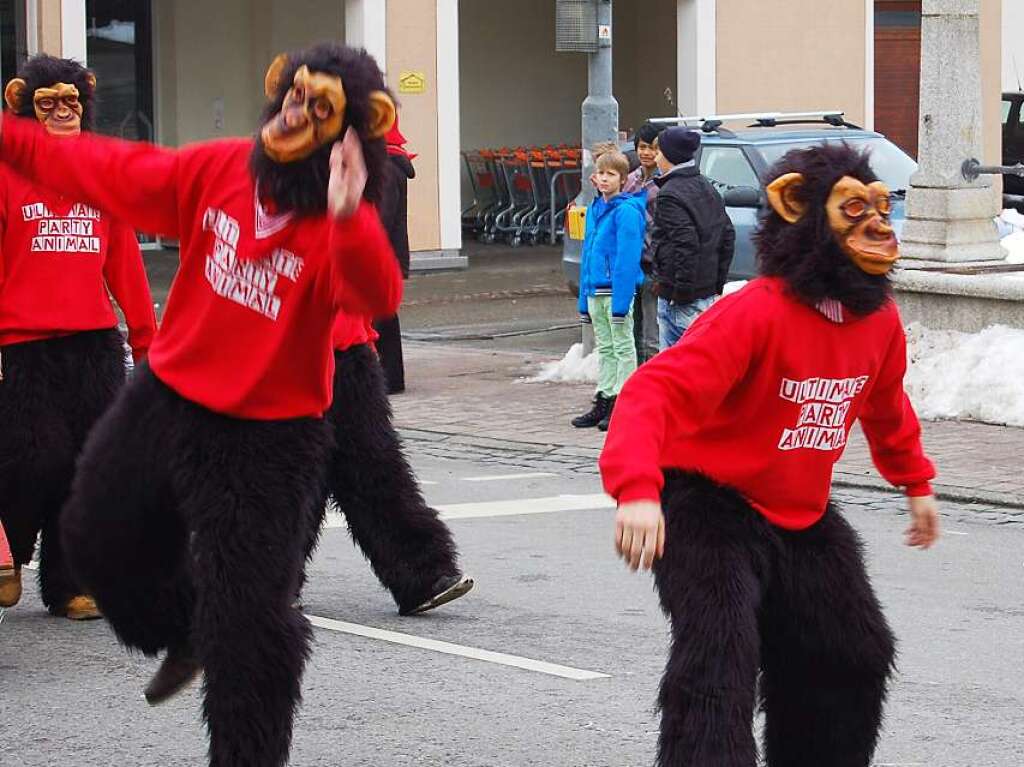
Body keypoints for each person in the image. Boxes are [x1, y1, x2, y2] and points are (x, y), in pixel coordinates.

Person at [0, 44, 402, 767]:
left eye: (318, 110)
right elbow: (104, 170)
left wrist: (347, 215)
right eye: (293, 97)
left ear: (351, 135)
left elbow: (376, 294)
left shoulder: (334, 228)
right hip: (170, 393)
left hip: (270, 436)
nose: (292, 115)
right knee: (92, 531)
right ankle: (187, 625)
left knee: (250, 628)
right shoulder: (220, 169)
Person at [600, 143, 940, 767]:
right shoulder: (755, 313)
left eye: (882, 209)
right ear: (799, 211)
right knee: (720, 660)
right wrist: (639, 491)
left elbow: (886, 406)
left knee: (853, 650)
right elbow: (655, 390)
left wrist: (915, 483)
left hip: (798, 511)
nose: (879, 226)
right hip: (705, 500)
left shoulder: (880, 323)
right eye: (854, 210)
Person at [0, 55, 156, 620]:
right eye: (48, 104)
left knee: (86, 466)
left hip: (93, 345)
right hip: (21, 346)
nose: (63, 113)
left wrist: (146, 342)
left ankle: (69, 584)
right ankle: (8, 557)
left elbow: (126, 264)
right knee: (31, 461)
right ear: (24, 106)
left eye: (72, 103)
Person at [304, 311, 473, 615]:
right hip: (286, 357)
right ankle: (261, 583)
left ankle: (421, 575)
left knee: (377, 466)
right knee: (288, 478)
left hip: (347, 353)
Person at [572, 148, 645, 432]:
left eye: (610, 174)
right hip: (595, 290)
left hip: (614, 292)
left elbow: (627, 259)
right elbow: (587, 254)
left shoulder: (626, 211)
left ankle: (623, 401)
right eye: (601, 173)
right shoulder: (595, 208)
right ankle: (604, 397)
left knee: (622, 345)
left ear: (623, 179)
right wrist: (583, 299)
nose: (604, 179)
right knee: (605, 347)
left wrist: (621, 301)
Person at [649, 126, 735, 350]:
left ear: (670, 156)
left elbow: (686, 244)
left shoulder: (669, 194)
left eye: (659, 152)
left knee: (671, 372)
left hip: (679, 299)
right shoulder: (706, 186)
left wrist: (681, 293)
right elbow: (727, 235)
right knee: (702, 363)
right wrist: (717, 283)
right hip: (704, 295)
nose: (655, 158)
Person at [372, 114, 415, 394]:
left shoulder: (387, 169)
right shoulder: (390, 164)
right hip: (388, 253)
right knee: (382, 316)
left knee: (382, 317)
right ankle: (389, 377)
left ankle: (390, 379)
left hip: (383, 254)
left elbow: (382, 217)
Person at [623, 122, 663, 362]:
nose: (646, 153)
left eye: (652, 148)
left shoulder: (665, 183)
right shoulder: (629, 180)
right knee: (632, 331)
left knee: (652, 334)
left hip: (652, 265)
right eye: (642, 147)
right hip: (630, 265)